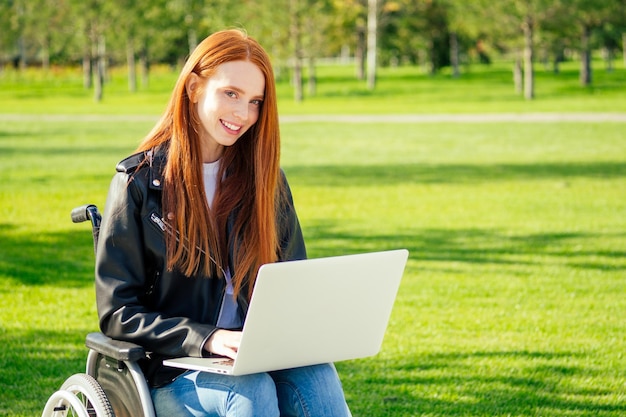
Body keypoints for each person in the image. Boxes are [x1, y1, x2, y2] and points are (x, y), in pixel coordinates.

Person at [94, 29, 352, 417]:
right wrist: (208, 338)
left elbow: (292, 284)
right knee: (249, 391)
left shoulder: (267, 184)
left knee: (317, 376)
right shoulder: (139, 184)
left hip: (254, 359)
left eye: (255, 102)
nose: (243, 114)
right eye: (231, 93)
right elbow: (117, 313)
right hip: (171, 372)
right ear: (195, 87)